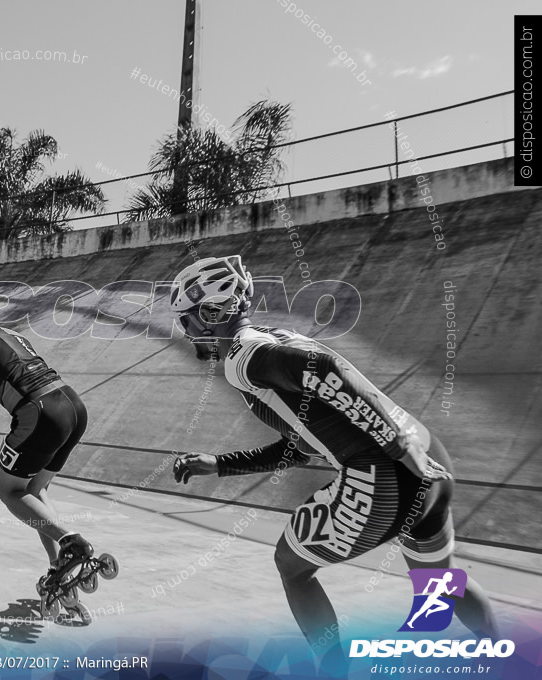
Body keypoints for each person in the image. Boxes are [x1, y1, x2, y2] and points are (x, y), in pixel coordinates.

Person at [169, 255, 497, 658]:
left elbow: (326, 367)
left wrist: (396, 445)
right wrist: (222, 464)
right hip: (430, 457)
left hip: (387, 474)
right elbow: (301, 446)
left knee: (292, 566)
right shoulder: (275, 337)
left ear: (210, 312)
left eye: (186, 321)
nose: (186, 333)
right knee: (440, 581)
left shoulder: (242, 357)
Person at [0, 283, 111, 600]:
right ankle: (59, 567)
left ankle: (73, 541)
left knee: (10, 491)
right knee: (36, 491)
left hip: (39, 413)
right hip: (72, 405)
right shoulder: (8, 332)